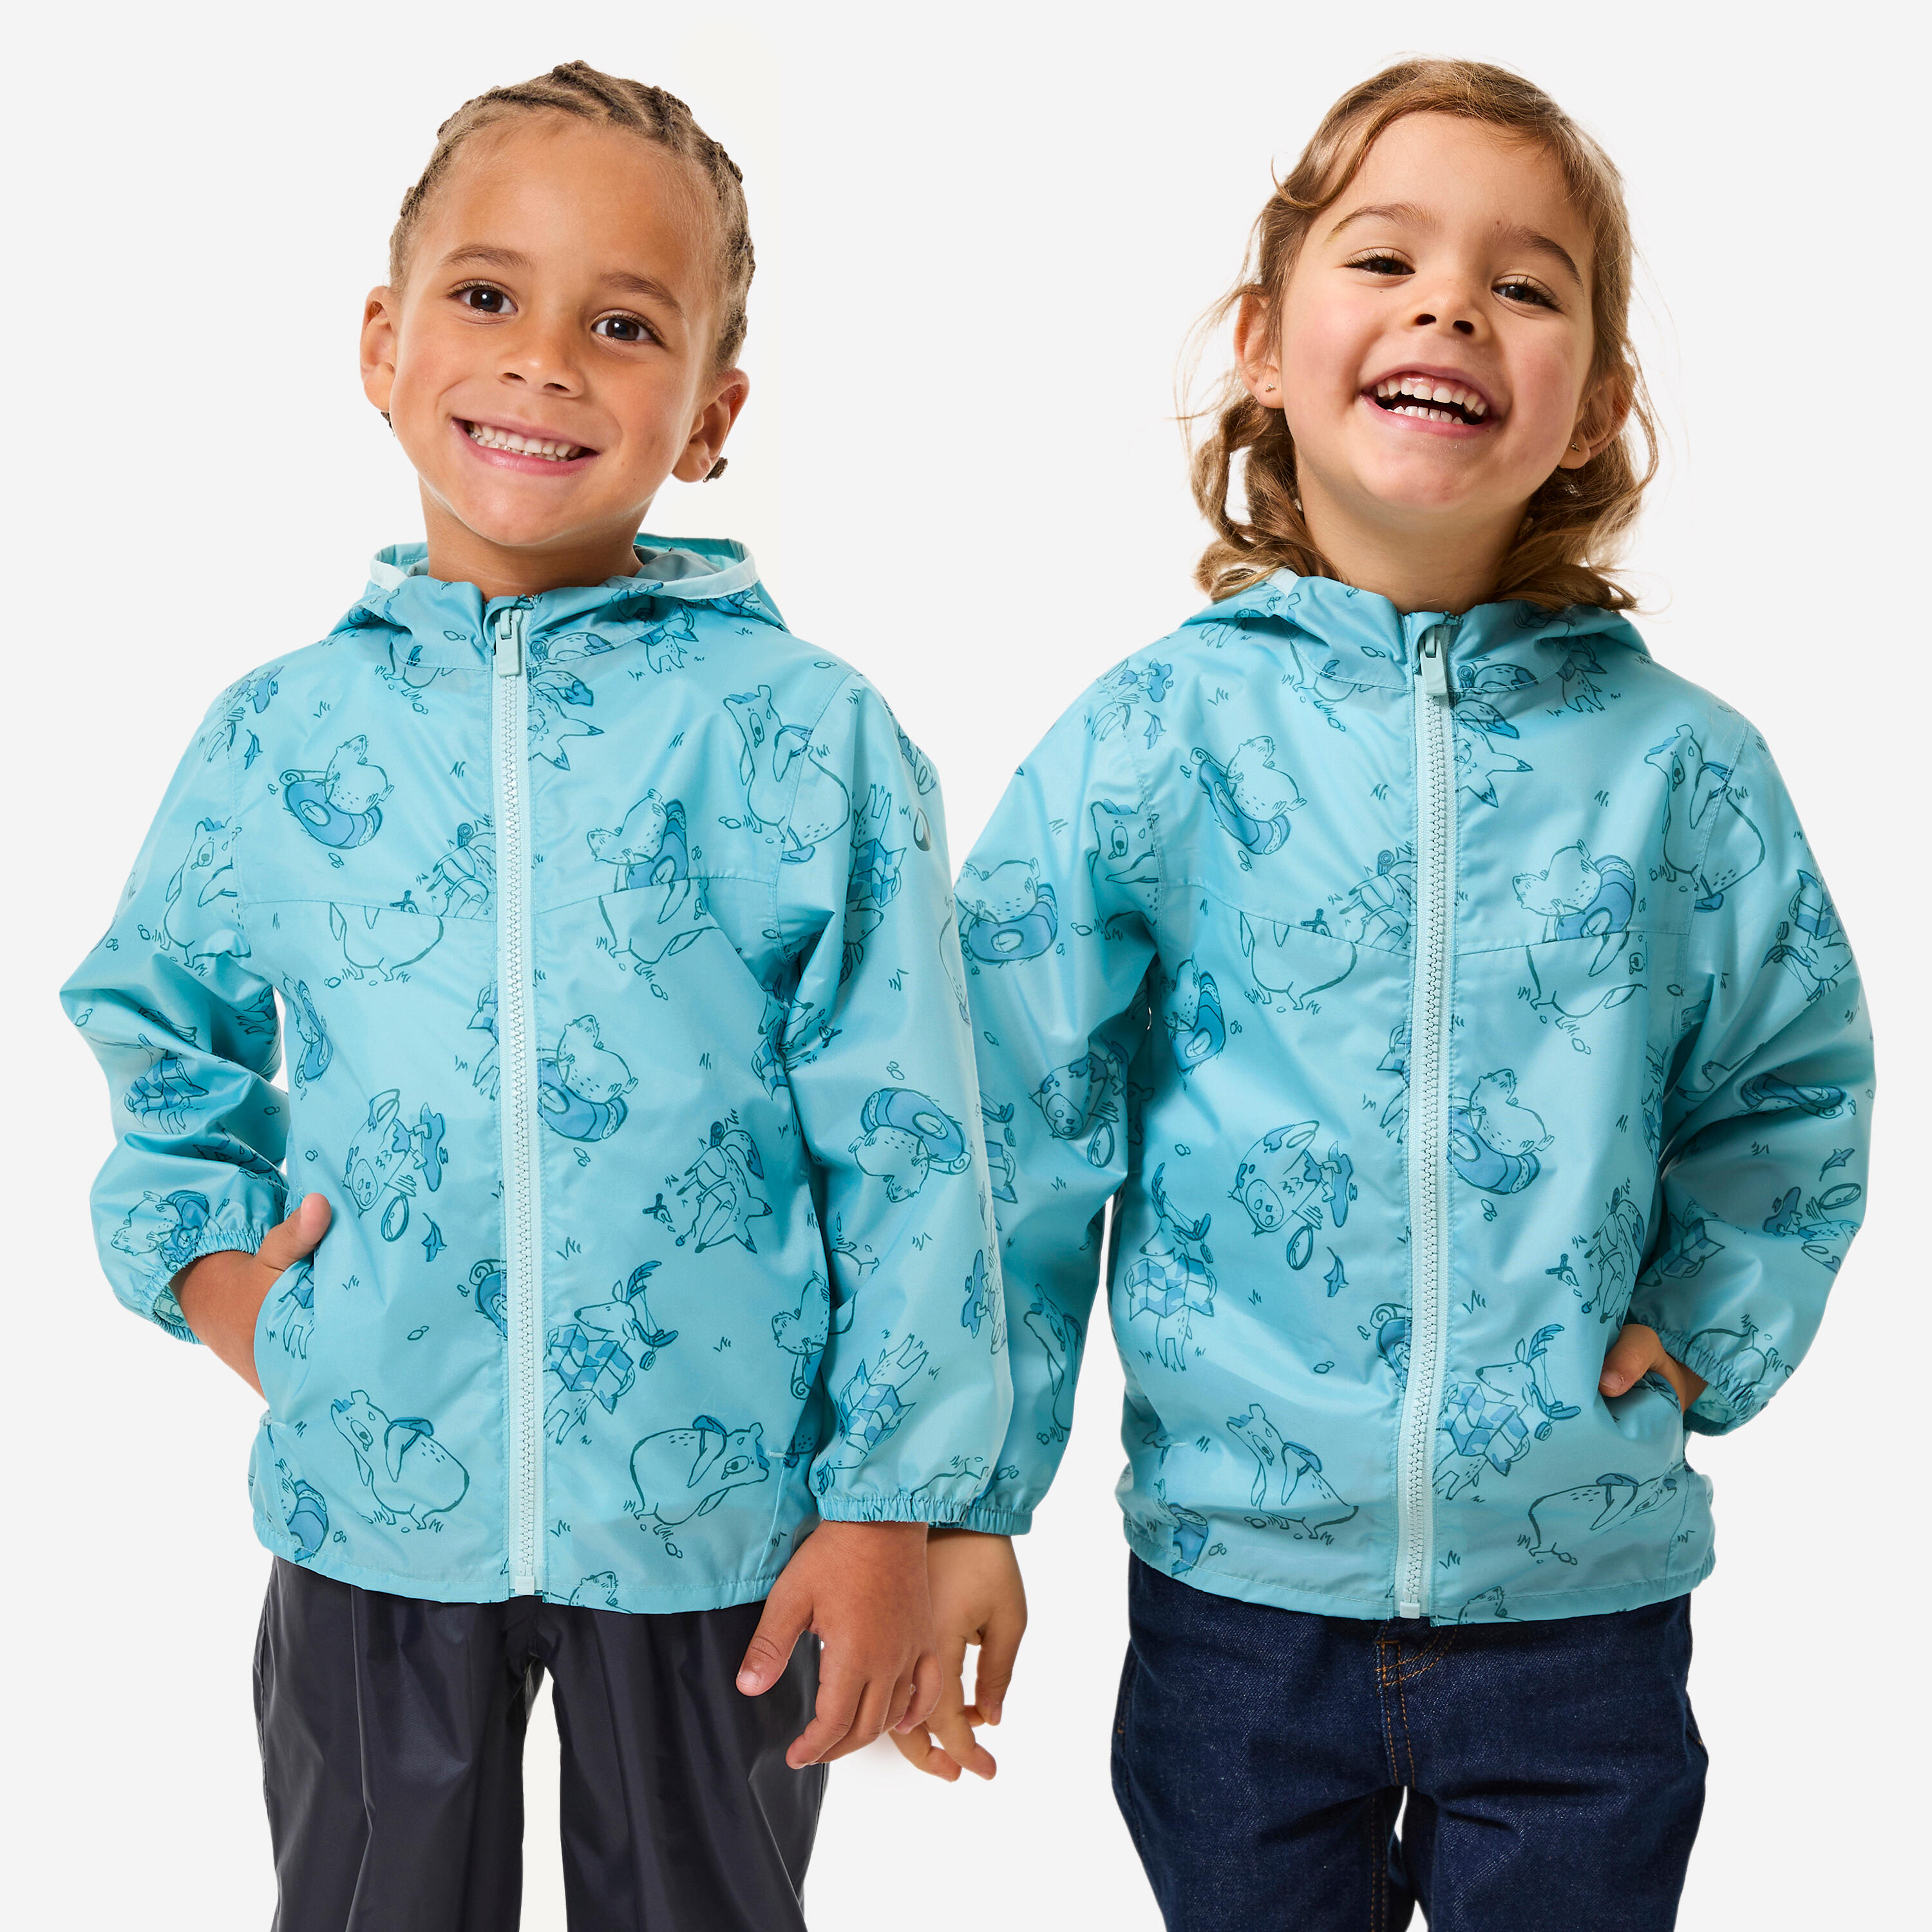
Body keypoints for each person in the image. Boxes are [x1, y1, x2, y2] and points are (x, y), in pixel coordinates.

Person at [897, 57, 1875, 1930]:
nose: (1451, 307)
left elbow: (1790, 1084)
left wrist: (1707, 1324)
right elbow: (1004, 1125)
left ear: (1595, 406)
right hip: (1237, 1604)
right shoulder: (1154, 738)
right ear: (1265, 346)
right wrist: (964, 1500)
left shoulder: (1682, 770)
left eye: (1525, 283)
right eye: (1386, 258)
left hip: (1580, 1605)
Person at [62, 61, 1010, 1932]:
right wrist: (225, 1283)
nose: (545, 362)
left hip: (718, 1525)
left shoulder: (802, 734)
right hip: (373, 1502)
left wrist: (890, 1500)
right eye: (489, 295)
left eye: (625, 324)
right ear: (383, 341)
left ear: (713, 412)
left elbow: (914, 1140)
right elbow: (157, 1031)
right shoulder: (278, 736)